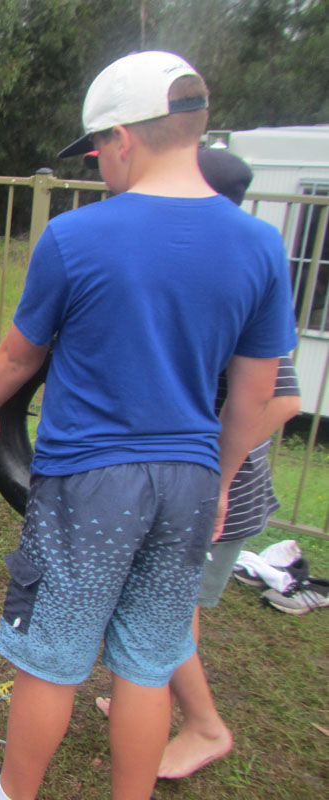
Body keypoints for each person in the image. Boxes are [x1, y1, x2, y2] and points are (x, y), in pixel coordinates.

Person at [0, 51, 296, 800]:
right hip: (191, 481)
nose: (98, 164)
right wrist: (222, 479)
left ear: (122, 138)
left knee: (50, 656)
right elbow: (254, 396)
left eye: (97, 149)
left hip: (89, 481)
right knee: (147, 663)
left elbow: (19, 354)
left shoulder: (76, 237)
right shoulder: (260, 245)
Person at [92, 147, 301, 779]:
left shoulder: (241, 270)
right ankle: (146, 696)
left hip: (215, 492)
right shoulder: (205, 264)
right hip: (186, 483)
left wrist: (214, 472)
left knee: (169, 612)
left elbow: (283, 400)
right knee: (156, 604)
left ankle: (205, 727)